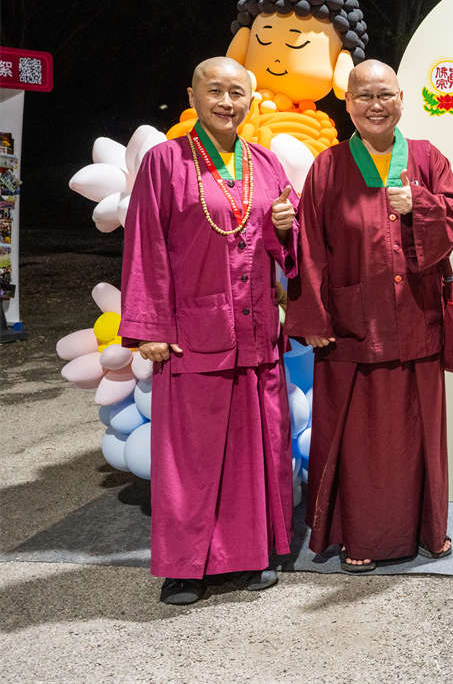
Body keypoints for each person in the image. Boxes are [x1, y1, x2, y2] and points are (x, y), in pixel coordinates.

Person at [120, 56, 299, 605]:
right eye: (215, 91)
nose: (226, 102)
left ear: (250, 100)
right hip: (192, 331)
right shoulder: (165, 161)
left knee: (255, 450)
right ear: (193, 97)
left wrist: (286, 230)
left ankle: (253, 553)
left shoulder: (265, 163)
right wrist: (149, 326)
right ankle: (186, 567)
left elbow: (289, 247)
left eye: (236, 93)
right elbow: (146, 244)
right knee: (191, 458)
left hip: (256, 329)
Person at [286, 59, 453, 572]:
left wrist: (420, 205)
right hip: (353, 325)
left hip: (416, 318)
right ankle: (360, 537)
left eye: (384, 94)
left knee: (419, 432)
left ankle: (428, 531)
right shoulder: (329, 166)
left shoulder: (426, 158)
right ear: (348, 104)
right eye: (364, 96)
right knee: (360, 440)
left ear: (401, 99)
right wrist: (314, 318)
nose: (375, 105)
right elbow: (309, 243)